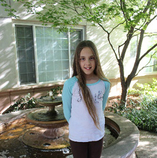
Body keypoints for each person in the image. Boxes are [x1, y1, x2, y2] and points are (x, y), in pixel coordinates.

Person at [62, 40, 110, 158]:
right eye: (82, 58)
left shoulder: (104, 84)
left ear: (96, 60)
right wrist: (78, 126)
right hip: (78, 136)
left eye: (91, 58)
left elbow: (101, 108)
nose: (87, 63)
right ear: (77, 61)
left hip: (97, 134)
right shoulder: (70, 84)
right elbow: (67, 112)